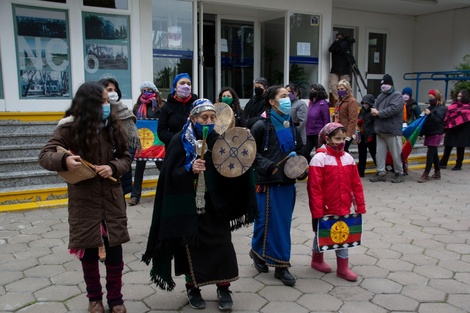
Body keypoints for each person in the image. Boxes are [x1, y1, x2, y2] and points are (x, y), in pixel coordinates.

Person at [142, 99, 256, 311]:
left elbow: (231, 170)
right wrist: (188, 168)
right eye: (204, 118)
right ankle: (193, 288)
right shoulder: (179, 141)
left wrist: (242, 161)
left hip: (214, 206)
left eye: (213, 118)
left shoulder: (218, 141)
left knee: (222, 245)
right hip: (188, 207)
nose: (209, 122)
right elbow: (168, 174)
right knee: (189, 249)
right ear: (193, 118)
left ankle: (224, 287)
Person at [38, 82, 131, 313]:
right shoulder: (68, 129)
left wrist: (113, 167)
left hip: (111, 200)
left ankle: (116, 299)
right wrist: (64, 161)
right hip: (84, 202)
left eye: (108, 101)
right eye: (102, 101)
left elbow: (127, 158)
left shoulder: (114, 127)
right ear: (88, 104)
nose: (107, 105)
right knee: (89, 253)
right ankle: (94, 299)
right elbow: (45, 155)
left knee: (114, 253)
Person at [249, 85, 305, 287]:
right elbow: (251, 153)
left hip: (287, 182)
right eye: (282, 96)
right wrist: (268, 166)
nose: (287, 99)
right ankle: (281, 265)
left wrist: (301, 168)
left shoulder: (290, 125)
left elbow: (298, 151)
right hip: (267, 182)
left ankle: (257, 251)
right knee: (269, 222)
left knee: (278, 222)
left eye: (288, 96)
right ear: (272, 101)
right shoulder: (260, 126)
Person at [307, 122, 366, 282]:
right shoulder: (319, 159)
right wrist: (317, 211)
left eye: (343, 138)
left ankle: (342, 267)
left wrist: (359, 205)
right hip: (326, 206)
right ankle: (317, 260)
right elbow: (314, 188)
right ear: (327, 138)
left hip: (343, 205)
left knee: (342, 234)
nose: (341, 142)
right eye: (337, 138)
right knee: (322, 232)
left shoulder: (348, 158)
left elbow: (356, 184)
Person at [98, 78, 140, 195]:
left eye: (114, 90)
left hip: (120, 173)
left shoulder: (125, 113)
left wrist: (115, 167)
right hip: (98, 174)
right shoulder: (93, 115)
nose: (113, 93)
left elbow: (131, 146)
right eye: (109, 89)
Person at [128, 81, 165, 206]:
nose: (146, 92)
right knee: (139, 169)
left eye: (149, 89)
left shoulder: (161, 106)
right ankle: (135, 196)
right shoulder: (137, 107)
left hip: (156, 143)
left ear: (154, 92)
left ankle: (166, 191)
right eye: (144, 90)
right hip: (142, 143)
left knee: (162, 167)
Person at [370, 74, 405, 183]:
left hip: (392, 130)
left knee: (396, 154)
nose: (383, 86)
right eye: (382, 84)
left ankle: (399, 172)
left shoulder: (397, 96)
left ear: (391, 84)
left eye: (385, 84)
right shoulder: (380, 96)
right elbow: (374, 107)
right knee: (379, 154)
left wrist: (379, 113)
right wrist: (374, 111)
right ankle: (381, 172)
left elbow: (393, 109)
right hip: (380, 130)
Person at [157, 73, 198, 149]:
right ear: (175, 87)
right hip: (174, 150)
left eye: (189, 84)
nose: (186, 86)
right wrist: (178, 139)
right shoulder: (167, 106)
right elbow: (161, 132)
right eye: (182, 83)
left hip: (194, 149)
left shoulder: (196, 105)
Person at [417, 89, 447, 182]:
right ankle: (437, 172)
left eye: (431, 97)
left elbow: (438, 121)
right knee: (434, 154)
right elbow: (425, 122)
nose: (430, 99)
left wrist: (430, 115)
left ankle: (426, 173)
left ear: (436, 98)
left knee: (430, 153)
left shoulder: (442, 108)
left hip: (436, 133)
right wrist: (420, 133)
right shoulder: (430, 107)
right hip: (429, 133)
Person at [440, 89, 470, 171]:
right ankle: (443, 162)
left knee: (460, 148)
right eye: (458, 95)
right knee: (448, 146)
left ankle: (458, 164)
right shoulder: (453, 105)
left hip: (462, 130)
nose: (458, 97)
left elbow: (467, 118)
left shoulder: (468, 108)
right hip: (452, 128)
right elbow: (449, 114)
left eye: (460, 96)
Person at [303, 83, 330, 163]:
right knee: (305, 152)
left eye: (315, 89)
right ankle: (313, 164)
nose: (312, 91)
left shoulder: (323, 104)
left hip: (319, 134)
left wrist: (325, 134)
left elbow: (326, 120)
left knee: (319, 153)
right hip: (309, 132)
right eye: (312, 89)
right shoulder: (311, 103)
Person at [332, 79, 358, 152]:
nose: (340, 91)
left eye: (342, 89)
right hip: (338, 130)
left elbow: (353, 119)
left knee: (343, 150)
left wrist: (348, 135)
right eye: (338, 89)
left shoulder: (352, 101)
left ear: (347, 89)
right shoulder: (339, 101)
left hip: (346, 132)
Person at [328, 33, 354, 106]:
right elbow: (330, 49)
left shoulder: (346, 46)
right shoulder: (335, 46)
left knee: (346, 87)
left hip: (345, 70)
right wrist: (336, 42)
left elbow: (350, 59)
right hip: (335, 70)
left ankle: (346, 101)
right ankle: (338, 101)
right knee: (333, 86)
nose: (338, 39)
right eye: (336, 37)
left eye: (339, 38)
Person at [401, 86, 422, 175]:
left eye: (407, 94)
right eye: (404, 94)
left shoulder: (414, 106)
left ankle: (404, 168)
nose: (405, 96)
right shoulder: (399, 103)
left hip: (409, 130)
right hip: (399, 129)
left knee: (404, 150)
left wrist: (419, 133)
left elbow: (419, 118)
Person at [357, 94, 377, 177]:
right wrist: (359, 121)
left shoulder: (373, 112)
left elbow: (375, 125)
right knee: (362, 155)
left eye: (367, 103)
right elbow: (359, 118)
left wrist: (371, 136)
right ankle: (360, 172)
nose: (365, 104)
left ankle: (381, 170)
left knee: (374, 154)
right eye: (364, 103)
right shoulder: (362, 110)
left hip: (370, 137)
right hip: (362, 135)